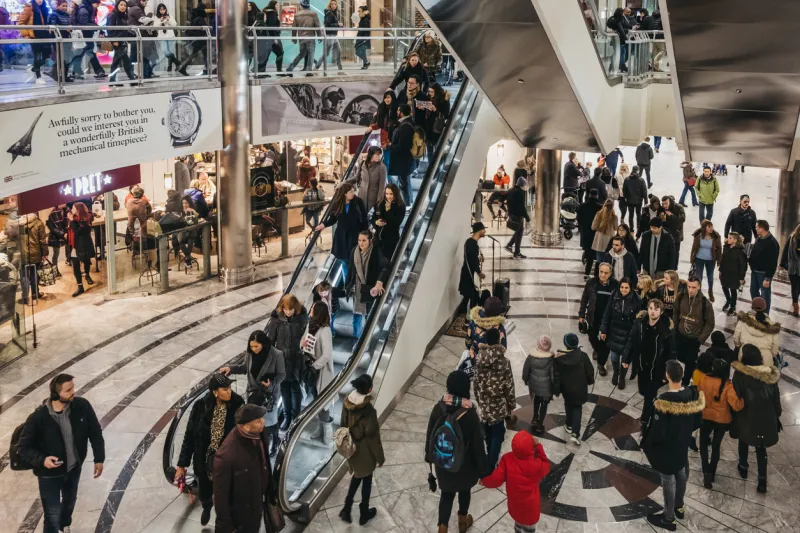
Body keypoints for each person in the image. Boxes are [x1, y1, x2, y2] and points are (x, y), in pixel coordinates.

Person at [16, 374, 105, 533]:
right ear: (56, 394)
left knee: (69, 503)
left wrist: (99, 458)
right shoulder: (38, 418)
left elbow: (95, 432)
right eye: (68, 390)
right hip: (49, 476)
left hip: (73, 470)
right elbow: (22, 448)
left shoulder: (82, 406)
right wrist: (43, 460)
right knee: (52, 513)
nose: (73, 392)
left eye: (73, 387)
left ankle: (64, 526)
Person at [641, 360, 704, 531]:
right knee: (681, 472)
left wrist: (647, 442)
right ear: (682, 376)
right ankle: (679, 506)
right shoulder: (692, 394)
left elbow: (658, 432)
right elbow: (697, 420)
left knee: (668, 480)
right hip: (682, 443)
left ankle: (669, 519)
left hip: (668, 449)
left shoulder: (665, 402)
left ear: (667, 376)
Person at [175, 374, 244, 525]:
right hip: (204, 458)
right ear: (215, 392)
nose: (229, 392)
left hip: (226, 459)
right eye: (225, 389)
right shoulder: (200, 406)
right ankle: (207, 506)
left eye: (230, 388)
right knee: (205, 486)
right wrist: (182, 464)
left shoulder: (238, 403)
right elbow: (190, 435)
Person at [426, 371, 487, 533]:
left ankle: (442, 527)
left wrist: (429, 457)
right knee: (464, 491)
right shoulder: (470, 414)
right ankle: (462, 520)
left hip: (443, 462)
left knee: (446, 495)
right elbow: (477, 445)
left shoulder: (438, 408)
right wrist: (483, 469)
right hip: (464, 465)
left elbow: (430, 436)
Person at [212, 404, 281, 533]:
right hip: (242, 517)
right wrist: (225, 527)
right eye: (258, 421)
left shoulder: (260, 433)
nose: (263, 422)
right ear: (246, 426)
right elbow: (220, 497)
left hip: (257, 500)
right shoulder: (226, 456)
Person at [219, 330, 285, 455]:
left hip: (268, 396)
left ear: (263, 344)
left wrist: (271, 384)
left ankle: (275, 441)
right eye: (251, 346)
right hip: (253, 395)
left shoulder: (277, 355)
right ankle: (260, 443)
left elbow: (282, 375)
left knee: (269, 423)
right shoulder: (250, 354)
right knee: (255, 422)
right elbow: (245, 367)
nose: (253, 349)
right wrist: (231, 369)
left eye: (256, 346)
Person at [731, 344, 781, 494]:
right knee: (761, 447)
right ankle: (762, 480)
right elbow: (776, 402)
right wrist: (776, 415)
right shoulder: (770, 376)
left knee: (743, 440)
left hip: (747, 416)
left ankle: (743, 467)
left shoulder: (739, 375)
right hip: (766, 417)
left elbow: (737, 398)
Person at [480, 431, 550, 533]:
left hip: (515, 505)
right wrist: (538, 446)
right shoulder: (537, 466)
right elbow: (545, 464)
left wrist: (485, 481)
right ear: (532, 447)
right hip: (530, 508)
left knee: (518, 524)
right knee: (528, 529)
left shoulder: (507, 459)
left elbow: (496, 480)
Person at [622, 299, 673, 430]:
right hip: (641, 365)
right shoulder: (640, 323)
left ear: (661, 312)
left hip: (656, 369)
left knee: (649, 396)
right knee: (643, 391)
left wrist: (665, 373)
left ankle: (645, 421)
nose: (653, 312)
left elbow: (671, 354)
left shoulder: (667, 330)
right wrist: (626, 359)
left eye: (656, 309)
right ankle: (650, 409)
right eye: (651, 308)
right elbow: (631, 341)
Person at [339, 374, 384, 525]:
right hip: (365, 450)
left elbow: (343, 424)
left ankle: (347, 507)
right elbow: (373, 437)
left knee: (357, 476)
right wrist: (379, 457)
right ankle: (364, 513)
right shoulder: (369, 410)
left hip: (351, 447)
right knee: (367, 479)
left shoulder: (346, 402)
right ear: (370, 389)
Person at [695, 358, 741, 489]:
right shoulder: (728, 385)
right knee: (716, 446)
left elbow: (699, 397)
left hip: (705, 417)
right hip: (722, 420)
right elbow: (736, 405)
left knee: (703, 445)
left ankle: (705, 472)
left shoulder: (703, 380)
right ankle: (712, 472)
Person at [265, 294, 308, 431]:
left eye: (291, 309)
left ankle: (296, 419)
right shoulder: (276, 320)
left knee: (295, 389)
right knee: (284, 389)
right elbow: (271, 341)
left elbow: (307, 336)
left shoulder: (302, 318)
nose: (288, 312)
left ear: (295, 308)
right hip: (281, 361)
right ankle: (287, 417)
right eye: (286, 309)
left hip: (296, 360)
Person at [474, 328, 515, 469]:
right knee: (498, 435)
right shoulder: (504, 362)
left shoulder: (479, 359)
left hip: (485, 406)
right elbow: (509, 385)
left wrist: (480, 401)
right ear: (498, 340)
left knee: (487, 434)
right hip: (499, 406)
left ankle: (487, 456)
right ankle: (491, 464)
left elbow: (476, 383)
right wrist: (511, 404)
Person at [316, 182, 368, 282]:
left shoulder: (358, 202)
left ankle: (356, 282)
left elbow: (364, 219)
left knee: (355, 260)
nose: (353, 193)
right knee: (345, 261)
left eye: (353, 191)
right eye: (351, 192)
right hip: (342, 237)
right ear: (344, 193)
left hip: (355, 236)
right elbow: (333, 218)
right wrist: (324, 224)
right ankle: (347, 283)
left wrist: (364, 234)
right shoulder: (337, 203)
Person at [345, 231, 389, 338]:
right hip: (357, 288)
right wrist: (348, 285)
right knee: (356, 316)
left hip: (370, 289)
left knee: (370, 317)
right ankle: (357, 340)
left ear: (370, 241)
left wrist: (379, 282)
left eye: (364, 240)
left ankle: (370, 338)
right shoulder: (354, 251)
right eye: (359, 240)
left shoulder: (375, 251)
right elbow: (351, 270)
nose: (361, 243)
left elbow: (385, 266)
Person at [301, 301, 334, 441]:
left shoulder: (325, 330)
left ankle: (327, 431)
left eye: (313, 308)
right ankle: (320, 429)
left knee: (323, 402)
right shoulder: (310, 325)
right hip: (311, 368)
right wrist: (302, 344)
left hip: (320, 371)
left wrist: (315, 366)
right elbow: (304, 342)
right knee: (316, 400)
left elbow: (327, 354)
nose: (311, 310)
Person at [553, 333, 594, 445]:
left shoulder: (559, 359)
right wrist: (590, 381)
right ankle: (575, 433)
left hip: (567, 389)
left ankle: (569, 424)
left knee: (568, 404)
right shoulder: (583, 356)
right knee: (577, 407)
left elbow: (557, 376)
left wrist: (556, 390)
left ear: (565, 344)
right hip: (580, 388)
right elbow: (590, 371)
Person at [600, 277, 641, 389]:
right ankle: (616, 373)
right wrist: (603, 329)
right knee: (614, 357)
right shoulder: (614, 296)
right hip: (614, 332)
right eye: (622, 287)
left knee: (625, 359)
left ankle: (622, 377)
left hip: (628, 334)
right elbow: (607, 314)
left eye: (626, 287)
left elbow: (638, 320)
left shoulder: (637, 300)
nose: (623, 290)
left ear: (630, 288)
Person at [674, 276, 715, 386]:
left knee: (690, 361)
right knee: (679, 355)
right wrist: (675, 329)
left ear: (699, 287)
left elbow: (710, 323)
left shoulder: (705, 304)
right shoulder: (681, 297)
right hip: (681, 334)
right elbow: (676, 312)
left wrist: (700, 339)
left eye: (693, 287)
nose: (690, 290)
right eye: (689, 286)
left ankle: (686, 381)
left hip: (694, 338)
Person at [579, 263, 617, 373]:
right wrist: (581, 315)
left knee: (605, 342)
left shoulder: (615, 285)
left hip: (608, 318)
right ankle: (598, 350)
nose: (603, 275)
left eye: (606, 273)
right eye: (601, 272)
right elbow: (584, 299)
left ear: (610, 273)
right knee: (592, 337)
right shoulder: (591, 283)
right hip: (593, 316)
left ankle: (601, 363)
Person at [464, 295, 507, 379]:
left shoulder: (473, 322)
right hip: (494, 366)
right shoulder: (499, 328)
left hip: (476, 361)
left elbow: (468, 341)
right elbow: (503, 348)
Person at [522, 335, 555, 433]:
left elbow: (526, 369)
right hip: (546, 388)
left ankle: (534, 418)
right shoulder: (551, 358)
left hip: (534, 385)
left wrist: (525, 379)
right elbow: (553, 374)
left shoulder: (531, 356)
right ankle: (540, 424)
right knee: (544, 404)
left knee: (536, 399)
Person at [733, 297, 781, 365]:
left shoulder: (743, 321)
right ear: (764, 308)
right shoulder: (772, 327)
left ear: (752, 307)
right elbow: (775, 345)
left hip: (745, 356)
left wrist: (739, 346)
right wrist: (771, 354)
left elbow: (736, 338)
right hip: (765, 360)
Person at [387, 104, 416, 205]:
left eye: (398, 110)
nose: (397, 112)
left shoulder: (405, 126)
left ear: (402, 113)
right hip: (404, 160)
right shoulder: (406, 123)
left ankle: (407, 204)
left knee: (404, 183)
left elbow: (403, 145)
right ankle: (409, 202)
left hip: (404, 160)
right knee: (404, 181)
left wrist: (389, 147)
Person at [749, 220, 780, 314]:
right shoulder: (759, 238)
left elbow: (772, 262)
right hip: (755, 271)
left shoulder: (772, 243)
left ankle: (765, 315)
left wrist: (768, 278)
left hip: (763, 274)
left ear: (762, 229)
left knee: (765, 295)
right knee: (753, 291)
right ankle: (758, 311)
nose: (755, 229)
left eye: (757, 227)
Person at [71, 0, 106, 79]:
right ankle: (98, 71)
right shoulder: (84, 9)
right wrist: (97, 28)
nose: (98, 6)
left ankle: (98, 71)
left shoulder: (87, 7)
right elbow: (84, 23)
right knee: (85, 52)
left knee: (86, 52)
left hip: (85, 34)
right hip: (83, 35)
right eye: (97, 3)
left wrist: (98, 29)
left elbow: (89, 22)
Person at [689, 219, 722, 302]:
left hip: (711, 260)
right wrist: (692, 259)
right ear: (704, 228)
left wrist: (719, 260)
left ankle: (710, 292)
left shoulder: (716, 236)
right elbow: (694, 247)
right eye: (709, 227)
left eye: (712, 227)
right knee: (698, 277)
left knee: (710, 277)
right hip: (699, 259)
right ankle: (698, 292)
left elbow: (719, 249)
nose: (711, 228)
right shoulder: (698, 235)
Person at [19, 0, 51, 85]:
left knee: (46, 56)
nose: (40, 0)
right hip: (35, 35)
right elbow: (21, 22)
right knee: (37, 56)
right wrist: (26, 34)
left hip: (45, 35)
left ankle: (34, 68)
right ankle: (38, 76)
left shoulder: (45, 8)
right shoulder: (29, 8)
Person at [371, 183, 405, 260]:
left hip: (391, 239)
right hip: (378, 238)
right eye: (387, 193)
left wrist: (389, 210)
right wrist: (376, 222)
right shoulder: (380, 203)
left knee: (388, 262)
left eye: (391, 194)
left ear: (395, 194)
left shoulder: (400, 206)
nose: (388, 196)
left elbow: (396, 223)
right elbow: (373, 218)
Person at [346, 146, 386, 210]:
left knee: (371, 217)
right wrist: (345, 182)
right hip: (362, 196)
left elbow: (382, 186)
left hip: (373, 198)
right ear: (371, 154)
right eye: (377, 154)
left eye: (380, 154)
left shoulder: (382, 167)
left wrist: (379, 202)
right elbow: (356, 177)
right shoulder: (362, 163)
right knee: (361, 215)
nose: (379, 156)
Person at [106, 0, 136, 82]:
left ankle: (112, 80)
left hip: (122, 41)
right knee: (126, 61)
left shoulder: (124, 16)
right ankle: (132, 78)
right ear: (117, 5)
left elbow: (124, 30)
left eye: (125, 5)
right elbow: (109, 29)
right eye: (121, 5)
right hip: (116, 41)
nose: (123, 7)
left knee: (116, 61)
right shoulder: (113, 15)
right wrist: (114, 40)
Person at [458, 222, 485, 315]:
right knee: (473, 297)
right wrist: (479, 273)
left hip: (466, 273)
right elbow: (473, 261)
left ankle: (463, 313)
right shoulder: (473, 245)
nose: (485, 231)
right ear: (479, 231)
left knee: (467, 297)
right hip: (470, 275)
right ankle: (470, 318)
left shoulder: (469, 242)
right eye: (483, 230)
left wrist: (479, 258)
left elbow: (470, 258)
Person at [67, 203, 94, 297]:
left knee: (86, 261)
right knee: (75, 265)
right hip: (75, 245)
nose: (71, 209)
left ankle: (87, 275)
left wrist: (72, 221)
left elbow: (77, 231)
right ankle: (80, 286)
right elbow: (72, 230)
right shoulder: (73, 219)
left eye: (73, 208)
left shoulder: (86, 219)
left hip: (84, 245)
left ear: (78, 209)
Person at [287, 0, 320, 73]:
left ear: (301, 5)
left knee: (302, 54)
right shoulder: (313, 14)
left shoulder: (297, 15)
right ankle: (309, 70)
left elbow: (294, 28)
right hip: (310, 37)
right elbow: (317, 26)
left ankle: (291, 67)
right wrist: (319, 36)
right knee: (311, 53)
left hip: (301, 38)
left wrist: (294, 38)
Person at [719, 232, 747, 315]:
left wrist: (742, 277)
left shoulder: (740, 251)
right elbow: (723, 260)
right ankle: (728, 301)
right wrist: (720, 270)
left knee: (733, 289)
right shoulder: (726, 248)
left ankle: (732, 306)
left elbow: (743, 265)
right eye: (728, 237)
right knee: (724, 287)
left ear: (735, 240)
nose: (728, 239)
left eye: (730, 238)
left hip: (735, 275)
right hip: (725, 272)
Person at [126, 0, 156, 79]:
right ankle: (135, 73)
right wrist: (150, 18)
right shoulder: (136, 8)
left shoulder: (135, 8)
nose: (146, 3)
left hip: (135, 35)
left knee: (140, 55)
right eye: (145, 1)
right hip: (136, 35)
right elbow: (143, 20)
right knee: (136, 56)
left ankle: (146, 72)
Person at [177, 6, 209, 76]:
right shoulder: (200, 19)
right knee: (205, 55)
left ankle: (183, 68)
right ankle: (207, 69)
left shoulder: (194, 19)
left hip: (197, 41)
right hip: (201, 41)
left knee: (196, 55)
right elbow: (201, 31)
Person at [504, 176, 530, 259]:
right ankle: (517, 252)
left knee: (518, 230)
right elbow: (521, 207)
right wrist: (527, 217)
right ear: (522, 185)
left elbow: (505, 199)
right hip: (517, 215)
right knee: (519, 233)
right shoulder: (520, 192)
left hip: (512, 214)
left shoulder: (511, 190)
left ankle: (510, 245)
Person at [578, 189, 602, 278]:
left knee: (588, 251)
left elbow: (579, 219)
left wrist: (583, 227)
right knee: (595, 253)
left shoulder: (582, 206)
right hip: (596, 234)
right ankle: (595, 274)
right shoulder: (600, 207)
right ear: (597, 196)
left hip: (586, 233)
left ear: (588, 195)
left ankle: (587, 272)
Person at [314, 0, 342, 70]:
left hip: (334, 35)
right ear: (330, 5)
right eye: (332, 4)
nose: (333, 5)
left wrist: (337, 25)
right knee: (326, 53)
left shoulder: (334, 13)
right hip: (330, 35)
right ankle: (317, 66)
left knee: (339, 51)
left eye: (335, 4)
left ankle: (340, 68)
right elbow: (327, 24)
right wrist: (338, 24)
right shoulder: (329, 13)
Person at [424, 82, 451, 155]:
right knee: (429, 150)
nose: (430, 93)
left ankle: (436, 164)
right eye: (429, 91)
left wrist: (435, 110)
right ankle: (431, 165)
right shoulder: (429, 97)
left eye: (432, 91)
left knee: (437, 150)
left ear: (437, 91)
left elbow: (446, 114)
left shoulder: (444, 100)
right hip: (429, 126)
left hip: (437, 127)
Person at [780, 222, 800, 316]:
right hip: (793, 267)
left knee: (798, 287)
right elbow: (785, 250)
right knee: (794, 286)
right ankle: (795, 304)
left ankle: (795, 300)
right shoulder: (792, 238)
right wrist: (782, 263)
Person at [153, 3, 179, 71]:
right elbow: (155, 27)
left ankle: (169, 67)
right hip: (162, 36)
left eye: (164, 9)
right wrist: (160, 21)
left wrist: (168, 20)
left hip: (170, 35)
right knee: (165, 51)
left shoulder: (169, 15)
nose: (162, 11)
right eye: (161, 10)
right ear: (158, 10)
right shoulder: (156, 17)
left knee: (171, 51)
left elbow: (175, 24)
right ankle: (177, 62)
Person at [622, 166, 648, 232]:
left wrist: (625, 197)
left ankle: (631, 228)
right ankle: (638, 227)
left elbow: (624, 190)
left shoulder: (627, 179)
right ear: (638, 171)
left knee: (631, 215)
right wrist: (646, 202)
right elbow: (644, 191)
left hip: (629, 200)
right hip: (639, 201)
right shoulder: (641, 180)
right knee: (638, 214)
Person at [261, 1, 284, 73]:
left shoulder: (267, 12)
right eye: (276, 5)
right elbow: (272, 26)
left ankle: (261, 71)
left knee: (266, 54)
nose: (277, 6)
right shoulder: (272, 13)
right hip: (273, 37)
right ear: (273, 5)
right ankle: (279, 71)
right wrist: (275, 38)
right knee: (280, 53)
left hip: (266, 37)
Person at [606, 8, 629, 72]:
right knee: (622, 52)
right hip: (620, 38)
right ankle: (622, 66)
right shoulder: (619, 19)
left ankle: (612, 66)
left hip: (614, 38)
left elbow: (607, 24)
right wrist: (626, 39)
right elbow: (621, 30)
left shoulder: (612, 18)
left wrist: (613, 29)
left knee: (615, 52)